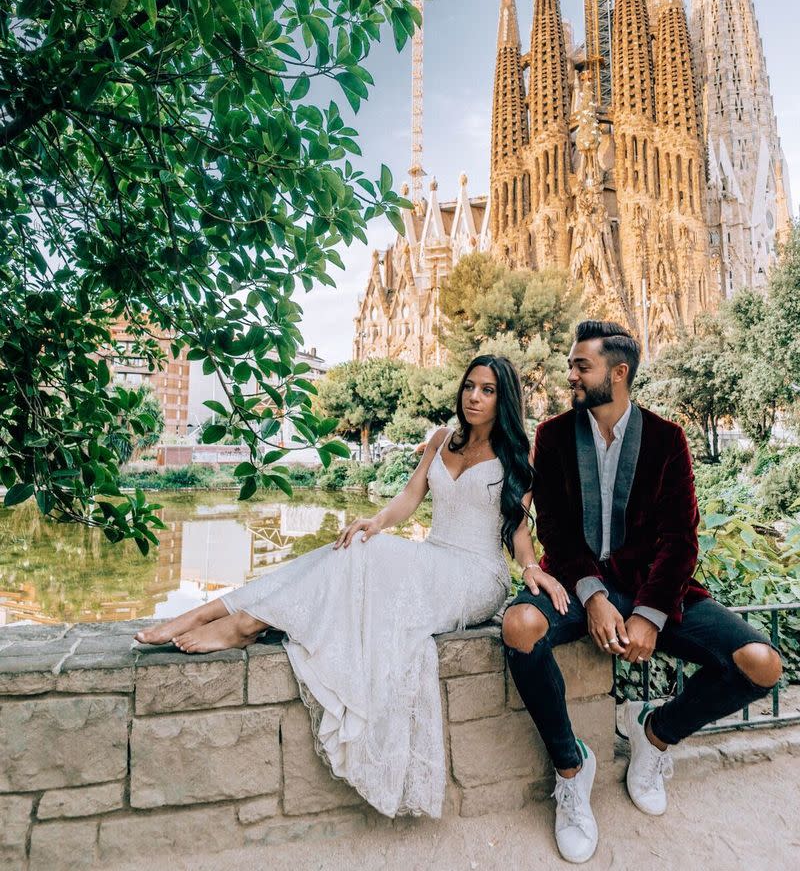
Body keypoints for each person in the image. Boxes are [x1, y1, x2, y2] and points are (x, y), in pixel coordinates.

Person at [135, 355, 569, 819]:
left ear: (504, 399)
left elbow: (518, 532)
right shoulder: (442, 440)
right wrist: (376, 521)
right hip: (434, 556)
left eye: (487, 389)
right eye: (469, 386)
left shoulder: (517, 455)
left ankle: (241, 619)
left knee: (370, 556)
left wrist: (530, 568)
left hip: (476, 576)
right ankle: (228, 614)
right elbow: (409, 496)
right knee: (357, 546)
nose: (474, 397)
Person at [502, 321, 783, 865]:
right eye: (571, 365)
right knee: (519, 627)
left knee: (761, 664)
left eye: (582, 366)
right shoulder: (555, 435)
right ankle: (570, 767)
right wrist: (594, 597)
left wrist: (652, 615)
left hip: (654, 587)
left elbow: (681, 539)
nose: (572, 375)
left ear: (619, 372)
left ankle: (654, 735)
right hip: (579, 583)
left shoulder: (666, 438)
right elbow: (555, 532)